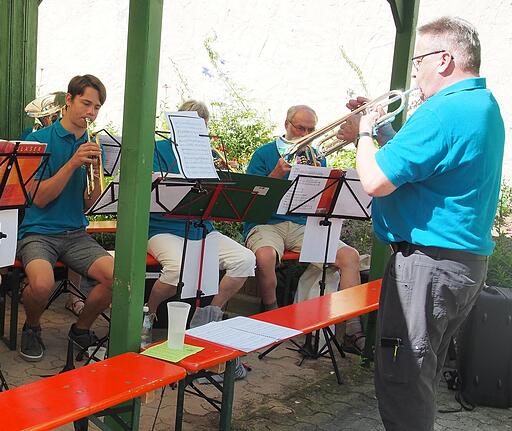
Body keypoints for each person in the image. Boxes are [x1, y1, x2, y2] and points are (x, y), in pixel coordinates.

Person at [343, 17, 504, 430]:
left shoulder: (444, 109)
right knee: (420, 372)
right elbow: (422, 162)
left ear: (445, 59)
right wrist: (382, 127)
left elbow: (376, 180)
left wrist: (362, 134)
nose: (414, 71)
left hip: (427, 265)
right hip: (458, 265)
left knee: (403, 377)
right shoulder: (481, 105)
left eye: (419, 60)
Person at [243, 104, 365, 352]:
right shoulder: (264, 154)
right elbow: (250, 199)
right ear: (286, 124)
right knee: (265, 256)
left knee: (349, 256)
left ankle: (353, 329)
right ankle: (272, 316)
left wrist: (324, 180)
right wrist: (275, 174)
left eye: (311, 129)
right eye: (301, 128)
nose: (306, 133)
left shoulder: (317, 157)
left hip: (302, 225)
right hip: (268, 223)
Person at [147, 100, 254, 380]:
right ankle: (148, 315)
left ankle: (206, 318)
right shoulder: (157, 149)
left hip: (201, 227)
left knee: (245, 259)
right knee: (177, 269)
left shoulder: (206, 153)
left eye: (200, 126)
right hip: (161, 227)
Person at [16, 74, 114, 362]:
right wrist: (72, 163)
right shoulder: (37, 141)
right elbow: (39, 198)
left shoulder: (92, 143)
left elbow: (89, 203)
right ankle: (32, 326)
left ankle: (80, 329)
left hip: (75, 233)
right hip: (37, 231)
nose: (91, 113)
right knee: (43, 284)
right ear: (68, 101)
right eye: (86, 103)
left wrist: (97, 176)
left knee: (118, 277)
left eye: (96, 108)